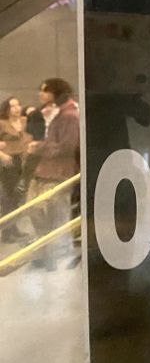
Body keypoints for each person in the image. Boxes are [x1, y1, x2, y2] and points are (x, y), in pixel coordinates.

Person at [26, 78, 80, 269]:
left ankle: (53, 255)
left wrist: (40, 148)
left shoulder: (70, 116)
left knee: (54, 214)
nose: (41, 95)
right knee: (35, 209)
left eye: (45, 91)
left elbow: (67, 146)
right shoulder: (54, 113)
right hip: (45, 169)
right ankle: (45, 251)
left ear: (56, 92)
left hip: (58, 172)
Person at [0, 97, 31, 242]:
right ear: (7, 109)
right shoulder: (2, 123)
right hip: (8, 162)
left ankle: (13, 228)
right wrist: (2, 154)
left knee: (19, 196)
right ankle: (8, 231)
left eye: (18, 104)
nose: (16, 108)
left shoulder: (24, 121)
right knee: (9, 197)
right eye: (12, 106)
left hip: (24, 161)